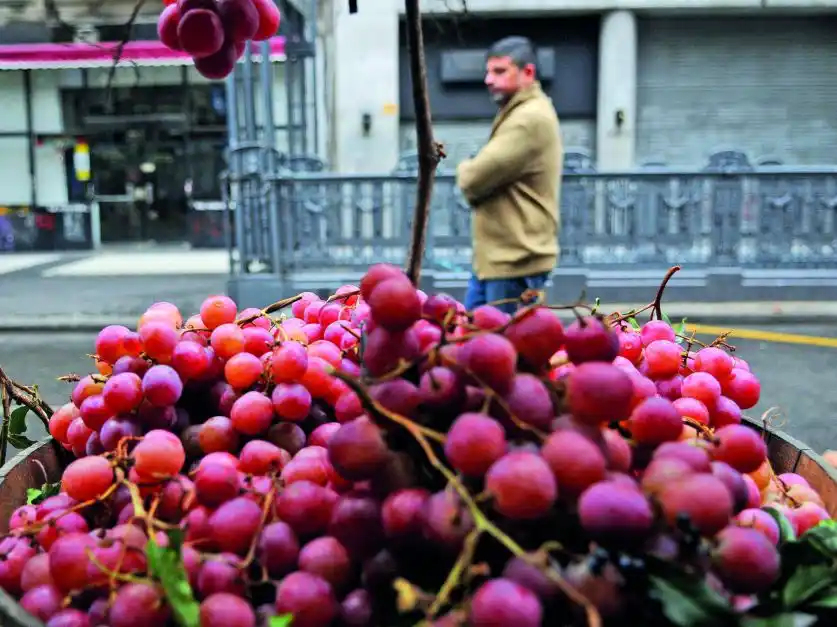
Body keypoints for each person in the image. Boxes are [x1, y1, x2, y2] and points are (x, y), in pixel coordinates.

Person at [456, 36, 563, 314]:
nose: (488, 80)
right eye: (488, 71)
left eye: (500, 71)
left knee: (501, 353)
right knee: (473, 347)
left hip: (514, 265)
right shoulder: (518, 111)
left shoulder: (529, 119)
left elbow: (473, 178)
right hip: (498, 260)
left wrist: (465, 166)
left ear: (528, 72)